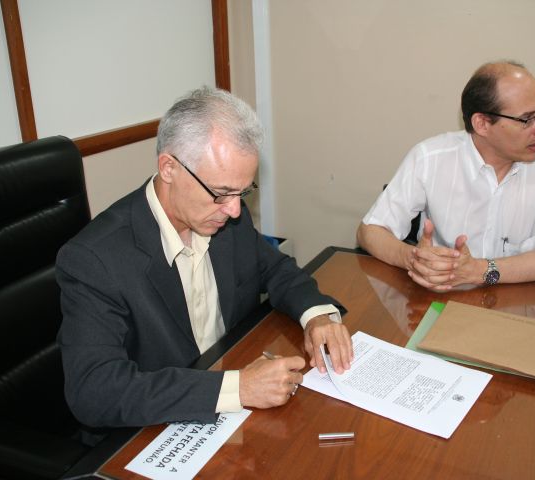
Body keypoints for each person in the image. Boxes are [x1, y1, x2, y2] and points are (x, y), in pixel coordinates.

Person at [56, 86, 353, 431]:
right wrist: (237, 388)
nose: (235, 209)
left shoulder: (224, 217)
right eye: (221, 193)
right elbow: (94, 391)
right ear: (169, 168)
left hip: (231, 396)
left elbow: (275, 269)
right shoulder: (95, 259)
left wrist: (316, 316)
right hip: (152, 430)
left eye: (243, 192)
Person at [357, 61, 535, 291]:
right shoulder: (430, 157)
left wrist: (479, 271)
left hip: (518, 298)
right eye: (527, 119)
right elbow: (370, 231)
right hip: (444, 296)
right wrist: (414, 259)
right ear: (482, 124)